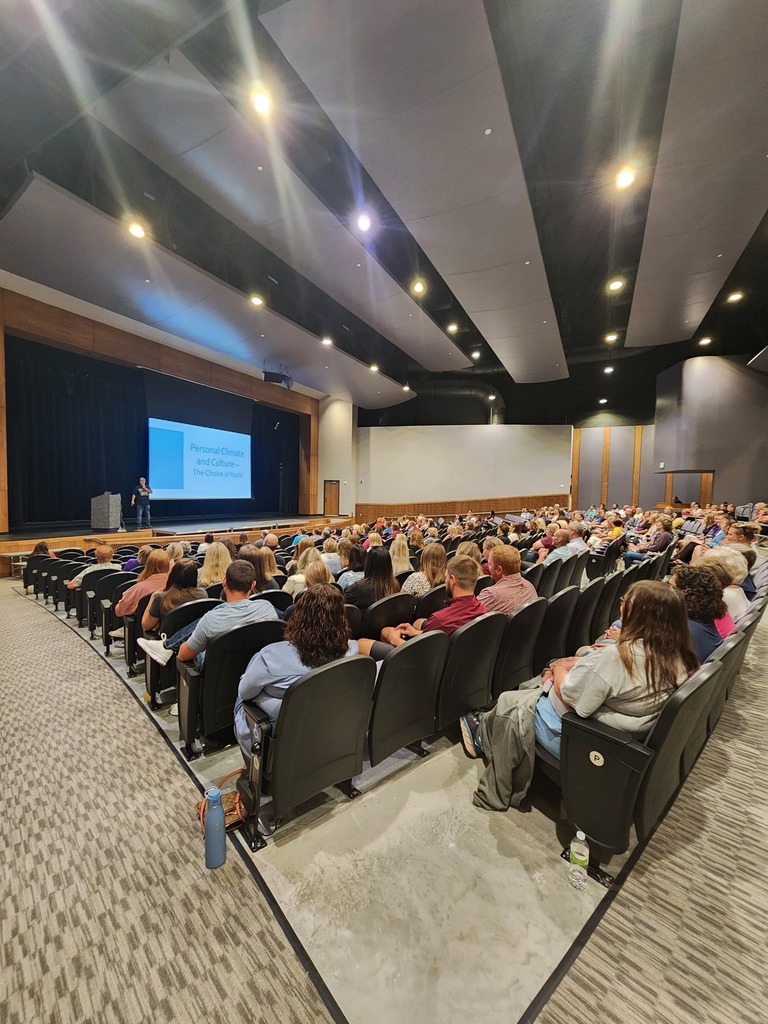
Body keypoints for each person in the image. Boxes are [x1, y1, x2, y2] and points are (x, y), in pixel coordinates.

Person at [460, 581, 699, 811]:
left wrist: (557, 669)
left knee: (510, 701)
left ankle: (484, 743)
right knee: (530, 689)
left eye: (626, 601)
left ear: (641, 612)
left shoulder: (617, 659)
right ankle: (484, 727)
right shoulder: (678, 655)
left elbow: (572, 700)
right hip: (621, 735)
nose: (621, 604)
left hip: (582, 738)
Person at [234, 583, 361, 760]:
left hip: (281, 737)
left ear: (299, 615)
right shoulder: (352, 651)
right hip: (327, 730)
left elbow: (245, 693)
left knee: (243, 689)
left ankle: (253, 764)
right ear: (342, 617)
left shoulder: (271, 657)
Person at [137, 559, 278, 668]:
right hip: (254, 668)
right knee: (220, 608)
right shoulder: (267, 608)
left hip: (216, 672)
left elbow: (183, 655)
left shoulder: (211, 620)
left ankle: (166, 646)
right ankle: (166, 646)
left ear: (224, 583)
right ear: (253, 585)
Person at [371, 555, 486, 654]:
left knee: (375, 637)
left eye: (446, 577)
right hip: (454, 659)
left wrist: (395, 640)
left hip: (424, 663)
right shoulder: (483, 611)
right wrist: (418, 633)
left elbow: (422, 652)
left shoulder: (440, 619)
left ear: (452, 579)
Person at [669, 564, 728, 661]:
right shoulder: (703, 621)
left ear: (684, 592)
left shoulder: (682, 629)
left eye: (670, 586)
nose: (665, 589)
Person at [141, 557, 207, 632]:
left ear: (172, 575)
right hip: (192, 639)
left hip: (167, 641)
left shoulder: (161, 597)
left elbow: (146, 625)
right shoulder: (202, 594)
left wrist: (153, 596)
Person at [478, 545, 537, 614]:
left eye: (490, 564)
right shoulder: (530, 586)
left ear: (499, 570)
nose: (488, 567)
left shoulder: (490, 594)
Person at [114, 548, 170, 617]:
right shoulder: (176, 585)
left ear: (148, 565)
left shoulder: (139, 588)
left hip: (142, 626)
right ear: (168, 565)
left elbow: (119, 611)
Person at [344, 547, 400, 613]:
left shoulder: (358, 588)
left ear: (368, 564)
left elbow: (342, 607)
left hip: (364, 623)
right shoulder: (395, 584)